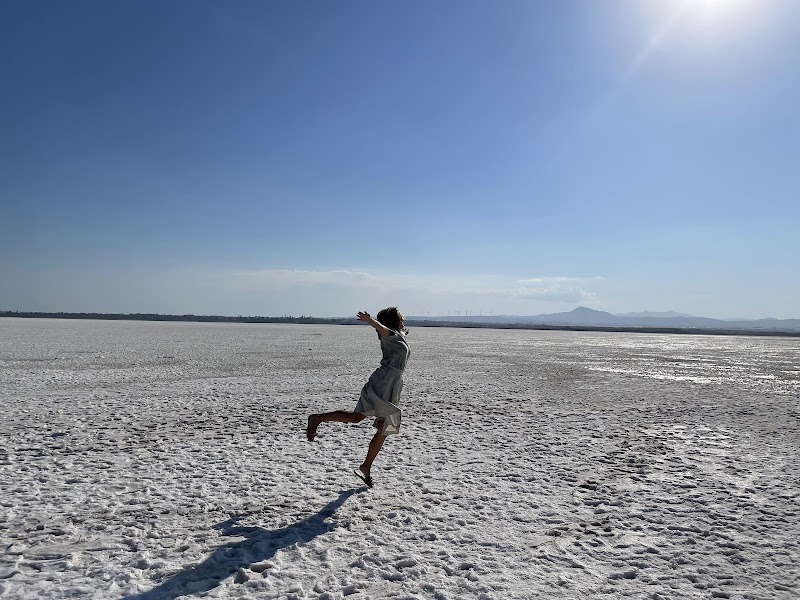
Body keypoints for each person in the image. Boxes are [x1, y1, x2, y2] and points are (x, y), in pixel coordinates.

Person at [306, 307, 410, 488]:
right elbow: (382, 329)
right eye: (401, 317)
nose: (404, 319)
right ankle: (317, 418)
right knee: (374, 422)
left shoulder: (399, 336)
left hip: (393, 385)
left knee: (378, 425)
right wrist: (371, 321)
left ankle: (365, 467)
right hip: (383, 382)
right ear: (393, 320)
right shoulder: (389, 334)